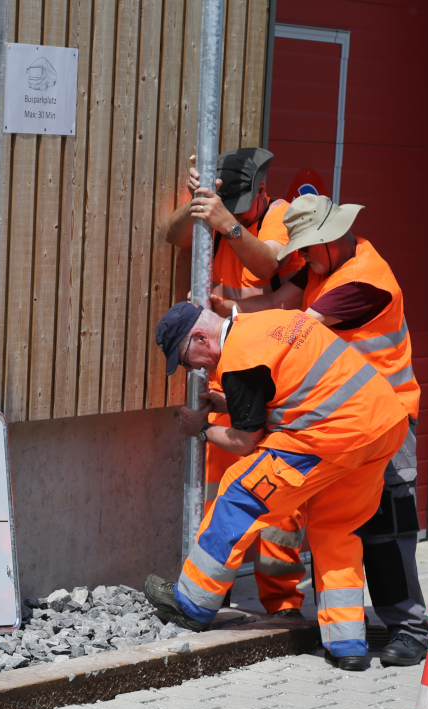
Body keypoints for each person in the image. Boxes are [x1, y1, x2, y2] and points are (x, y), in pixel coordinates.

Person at [145, 299, 409, 670]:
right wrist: (231, 401)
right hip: (382, 424)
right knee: (335, 528)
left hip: (332, 433)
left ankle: (192, 604)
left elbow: (244, 442)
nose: (195, 370)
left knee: (239, 493)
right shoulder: (268, 323)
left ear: (201, 338)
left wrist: (201, 429)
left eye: (187, 360)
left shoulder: (239, 359)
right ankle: (348, 644)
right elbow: (289, 387)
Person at [233, 194, 428, 667]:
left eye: (308, 249)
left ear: (334, 237)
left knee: (387, 528)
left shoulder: (365, 280)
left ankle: (409, 629)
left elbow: (299, 328)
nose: (302, 259)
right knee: (334, 529)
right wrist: (223, 310)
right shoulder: (322, 266)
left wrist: (238, 345)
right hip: (343, 423)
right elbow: (275, 302)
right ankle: (343, 635)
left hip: (388, 422)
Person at [161, 149, 306, 616]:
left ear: (263, 192)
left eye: (245, 203)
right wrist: (197, 201)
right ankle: (209, 591)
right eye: (230, 203)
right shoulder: (218, 214)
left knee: (277, 508)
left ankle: (282, 605)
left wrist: (228, 224)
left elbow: (270, 269)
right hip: (233, 371)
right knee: (221, 491)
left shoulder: (278, 216)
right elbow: (172, 235)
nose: (238, 209)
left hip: (272, 377)